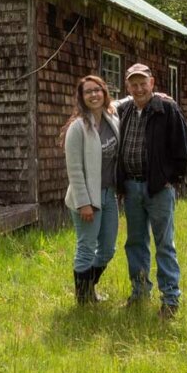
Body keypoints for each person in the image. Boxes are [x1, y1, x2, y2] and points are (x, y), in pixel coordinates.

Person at [115, 63, 187, 319]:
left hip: (158, 189)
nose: (139, 88)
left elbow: (184, 150)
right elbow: (99, 103)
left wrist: (171, 179)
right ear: (127, 87)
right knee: (135, 243)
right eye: (133, 84)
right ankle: (139, 292)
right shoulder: (123, 110)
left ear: (152, 82)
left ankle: (170, 300)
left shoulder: (166, 108)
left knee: (164, 245)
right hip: (131, 187)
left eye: (143, 83)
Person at [61, 75, 120, 305]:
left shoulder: (111, 118)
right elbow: (74, 170)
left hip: (109, 194)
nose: (94, 94)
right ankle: (84, 299)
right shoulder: (78, 128)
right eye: (88, 92)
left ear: (104, 92)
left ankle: (89, 288)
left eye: (98, 90)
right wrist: (84, 203)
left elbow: (126, 101)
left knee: (107, 249)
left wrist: (156, 95)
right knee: (86, 248)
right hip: (85, 198)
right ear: (82, 97)